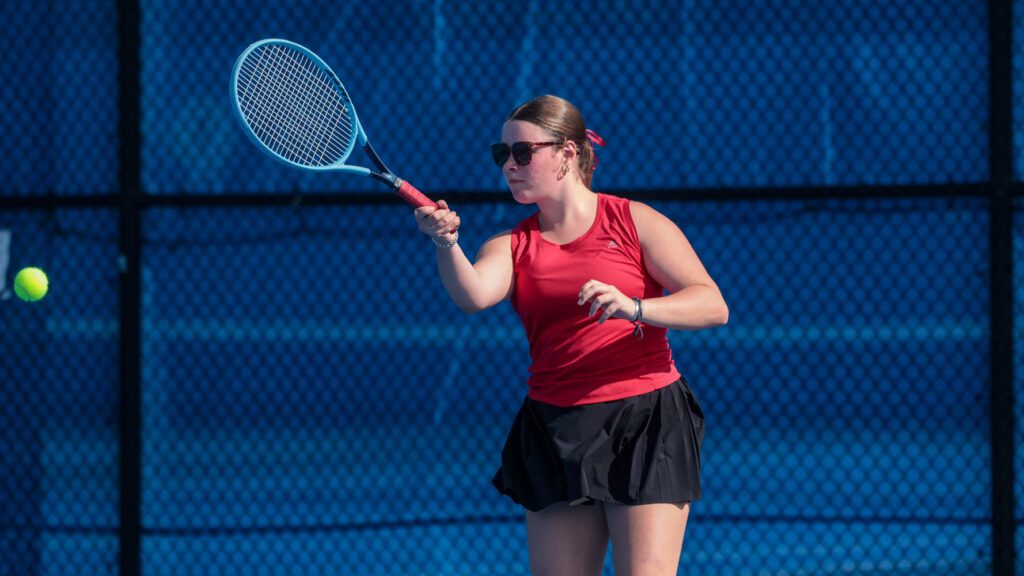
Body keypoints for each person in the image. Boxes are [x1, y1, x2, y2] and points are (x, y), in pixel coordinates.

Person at [414, 94, 728, 576]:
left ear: (567, 153)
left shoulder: (633, 220)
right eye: (502, 155)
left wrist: (637, 307)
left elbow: (712, 304)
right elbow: (473, 294)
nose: (510, 166)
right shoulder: (511, 245)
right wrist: (445, 242)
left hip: (644, 421)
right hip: (554, 427)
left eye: (523, 152)